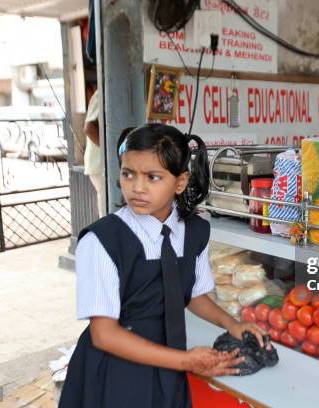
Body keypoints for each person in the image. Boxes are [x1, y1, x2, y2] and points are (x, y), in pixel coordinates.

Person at [59, 124, 268, 408]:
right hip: (115, 371)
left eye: (153, 177)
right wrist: (187, 360)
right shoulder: (102, 241)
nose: (137, 187)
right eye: (128, 173)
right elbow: (104, 335)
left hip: (169, 362)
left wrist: (232, 324)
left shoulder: (194, 231)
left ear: (180, 182)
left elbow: (191, 294)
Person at [83, 87, 105, 217]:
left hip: (101, 164)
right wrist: (110, 152)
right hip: (99, 164)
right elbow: (88, 128)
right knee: (107, 210)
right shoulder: (101, 93)